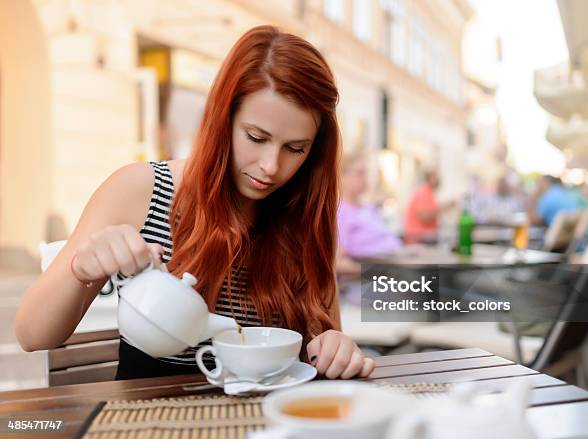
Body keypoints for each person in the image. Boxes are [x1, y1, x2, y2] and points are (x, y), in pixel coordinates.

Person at [15, 26, 375, 381]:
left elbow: (320, 343)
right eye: (256, 137)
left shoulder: (303, 216)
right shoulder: (141, 189)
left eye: (295, 148)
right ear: (222, 119)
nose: (271, 166)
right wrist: (82, 267)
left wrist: (335, 346)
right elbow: (32, 335)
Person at [336, 153, 403, 274]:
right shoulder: (339, 212)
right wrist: (375, 272)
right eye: (360, 173)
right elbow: (337, 262)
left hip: (396, 262)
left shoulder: (367, 208)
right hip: (373, 276)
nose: (365, 178)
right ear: (341, 176)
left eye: (366, 173)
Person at [404, 170, 454, 243]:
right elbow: (425, 217)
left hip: (425, 237)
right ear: (430, 178)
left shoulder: (429, 193)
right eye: (436, 177)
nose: (439, 179)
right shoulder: (423, 193)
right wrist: (444, 207)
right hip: (419, 238)